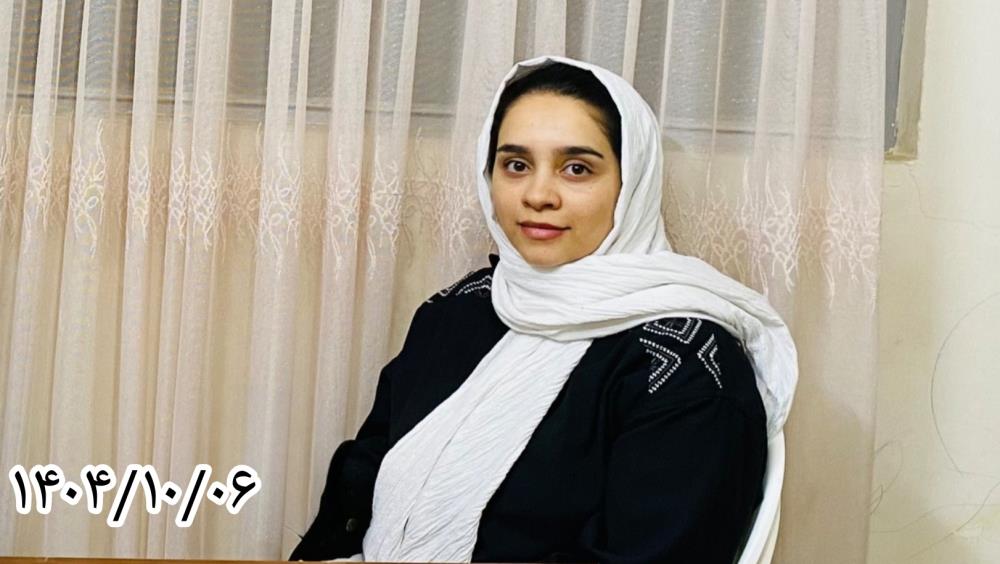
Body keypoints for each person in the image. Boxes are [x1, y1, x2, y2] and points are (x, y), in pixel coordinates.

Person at [290, 55, 797, 563]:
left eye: (577, 169)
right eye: (516, 165)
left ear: (632, 184)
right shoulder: (464, 308)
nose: (537, 195)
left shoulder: (683, 369)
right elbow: (364, 475)